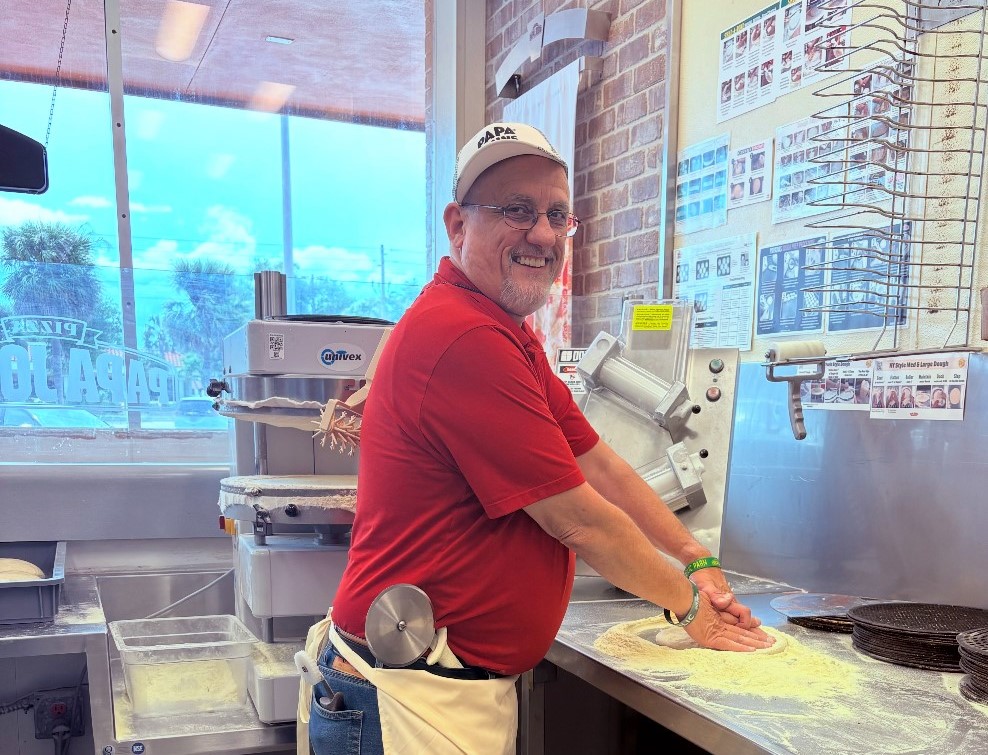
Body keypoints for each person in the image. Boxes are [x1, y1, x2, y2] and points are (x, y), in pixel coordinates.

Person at [307, 122, 772, 754]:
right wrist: (693, 610)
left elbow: (598, 464)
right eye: (516, 211)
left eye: (558, 215)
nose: (543, 234)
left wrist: (695, 559)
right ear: (457, 224)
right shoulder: (462, 338)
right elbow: (580, 522)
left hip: (439, 690)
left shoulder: (505, 331)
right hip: (403, 700)